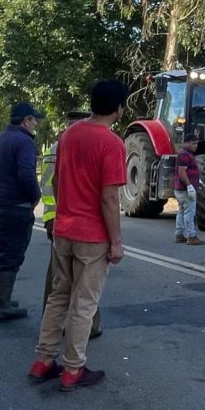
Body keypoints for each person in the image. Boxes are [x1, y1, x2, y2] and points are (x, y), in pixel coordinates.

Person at [28, 80, 128, 392]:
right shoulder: (111, 143)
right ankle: (73, 369)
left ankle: (44, 361)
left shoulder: (69, 135)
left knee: (59, 296)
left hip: (64, 230)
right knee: (84, 304)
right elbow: (109, 199)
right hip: (92, 237)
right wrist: (115, 241)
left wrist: (62, 215)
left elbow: (57, 182)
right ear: (118, 108)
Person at [40, 111, 101, 339]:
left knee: (57, 276)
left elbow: (46, 183)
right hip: (73, 218)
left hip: (54, 218)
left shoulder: (54, 147)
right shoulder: (74, 147)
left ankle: (50, 323)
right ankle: (90, 325)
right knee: (85, 276)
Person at [0, 101, 45, 321]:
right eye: (33, 119)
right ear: (25, 120)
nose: (35, 124)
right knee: (11, 254)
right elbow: (26, 174)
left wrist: (0, 189)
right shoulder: (24, 142)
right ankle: (1, 305)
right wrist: (35, 196)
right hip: (17, 207)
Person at [172, 131, 205, 245]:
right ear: (185, 143)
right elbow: (182, 171)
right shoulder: (184, 154)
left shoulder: (187, 153)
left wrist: (197, 180)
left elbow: (188, 171)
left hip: (181, 189)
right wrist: (190, 186)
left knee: (181, 211)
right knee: (190, 212)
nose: (195, 146)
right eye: (192, 143)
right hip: (185, 189)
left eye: (196, 143)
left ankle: (179, 235)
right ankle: (191, 236)